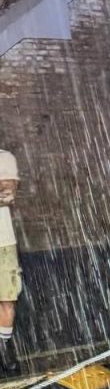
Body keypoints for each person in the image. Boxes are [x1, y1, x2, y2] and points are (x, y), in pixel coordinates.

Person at [0, 150, 21, 375]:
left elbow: (8, 193)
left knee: (7, 299)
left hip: (3, 243)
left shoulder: (4, 158)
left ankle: (4, 347)